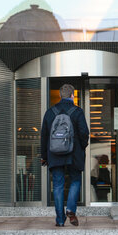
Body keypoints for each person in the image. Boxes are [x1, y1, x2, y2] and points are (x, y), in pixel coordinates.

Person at [41, 83, 89, 227]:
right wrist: (82, 147)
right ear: (73, 96)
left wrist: (44, 155)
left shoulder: (50, 112)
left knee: (58, 185)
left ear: (61, 95)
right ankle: (70, 209)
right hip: (74, 154)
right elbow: (84, 133)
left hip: (54, 154)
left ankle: (60, 220)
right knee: (75, 181)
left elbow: (44, 136)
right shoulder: (78, 111)